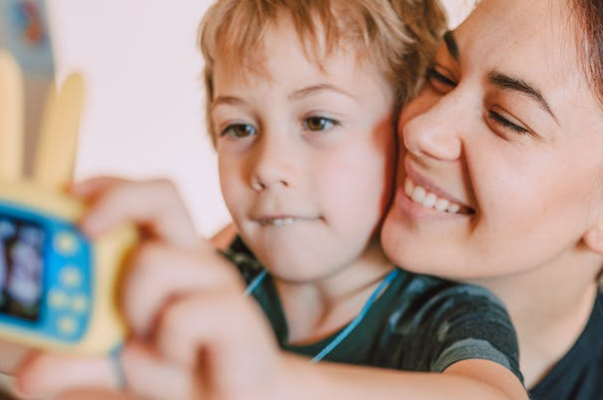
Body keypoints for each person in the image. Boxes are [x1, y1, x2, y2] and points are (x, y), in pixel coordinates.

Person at [10, 1, 529, 400]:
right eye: (239, 127)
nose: (266, 167)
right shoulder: (214, 275)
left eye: (317, 121)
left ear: (404, 129)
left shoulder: (442, 313)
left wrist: (267, 382)